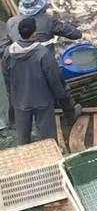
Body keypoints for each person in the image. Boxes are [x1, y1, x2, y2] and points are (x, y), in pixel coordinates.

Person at [0, 0, 83, 126]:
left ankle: (14, 120)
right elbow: (74, 34)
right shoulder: (48, 21)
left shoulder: (12, 22)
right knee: (60, 87)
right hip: (44, 64)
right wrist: (76, 30)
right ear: (41, 6)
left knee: (13, 92)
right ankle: (70, 113)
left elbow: (2, 49)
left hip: (19, 68)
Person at [2, 17, 67, 145]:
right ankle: (50, 158)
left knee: (23, 136)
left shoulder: (8, 53)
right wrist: (60, 96)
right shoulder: (42, 53)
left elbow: (6, 76)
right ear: (34, 33)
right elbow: (53, 78)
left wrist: (12, 95)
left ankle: (26, 157)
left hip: (20, 100)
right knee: (48, 138)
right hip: (42, 100)